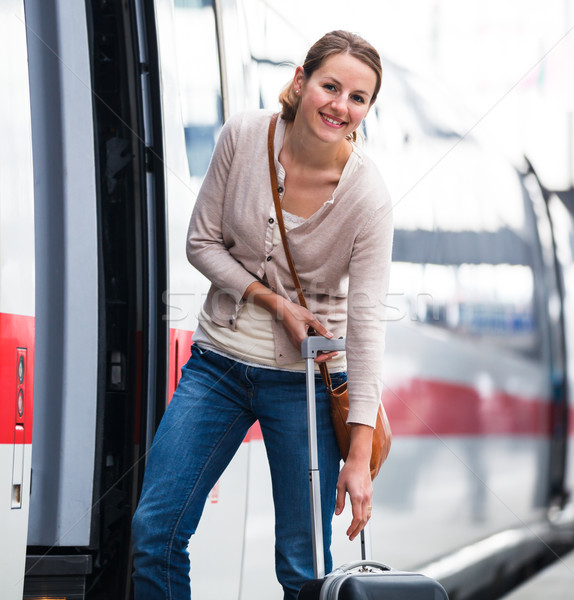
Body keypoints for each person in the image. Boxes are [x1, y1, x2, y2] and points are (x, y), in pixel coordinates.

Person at [131, 29, 393, 600]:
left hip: (304, 385)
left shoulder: (367, 195)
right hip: (217, 367)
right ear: (301, 82)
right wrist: (274, 302)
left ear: (366, 111)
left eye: (357, 98)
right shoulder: (244, 135)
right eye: (330, 85)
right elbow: (201, 243)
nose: (339, 105)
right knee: (155, 532)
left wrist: (358, 456)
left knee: (302, 566)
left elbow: (367, 326)